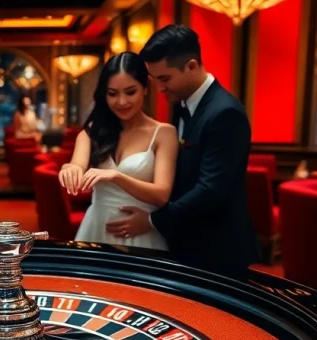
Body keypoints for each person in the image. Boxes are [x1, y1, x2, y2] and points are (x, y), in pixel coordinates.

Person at [104, 25, 260, 277]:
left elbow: (211, 190)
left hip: (216, 247)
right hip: (185, 239)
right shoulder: (182, 103)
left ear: (191, 66)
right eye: (155, 80)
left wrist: (153, 221)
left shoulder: (225, 113)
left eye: (165, 79)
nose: (160, 89)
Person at [58, 52, 178, 250]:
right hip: (97, 226)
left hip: (141, 230)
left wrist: (116, 176)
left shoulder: (164, 133)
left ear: (145, 88)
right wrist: (69, 168)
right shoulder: (93, 131)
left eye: (130, 92)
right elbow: (77, 165)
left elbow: (162, 195)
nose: (121, 102)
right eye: (112, 94)